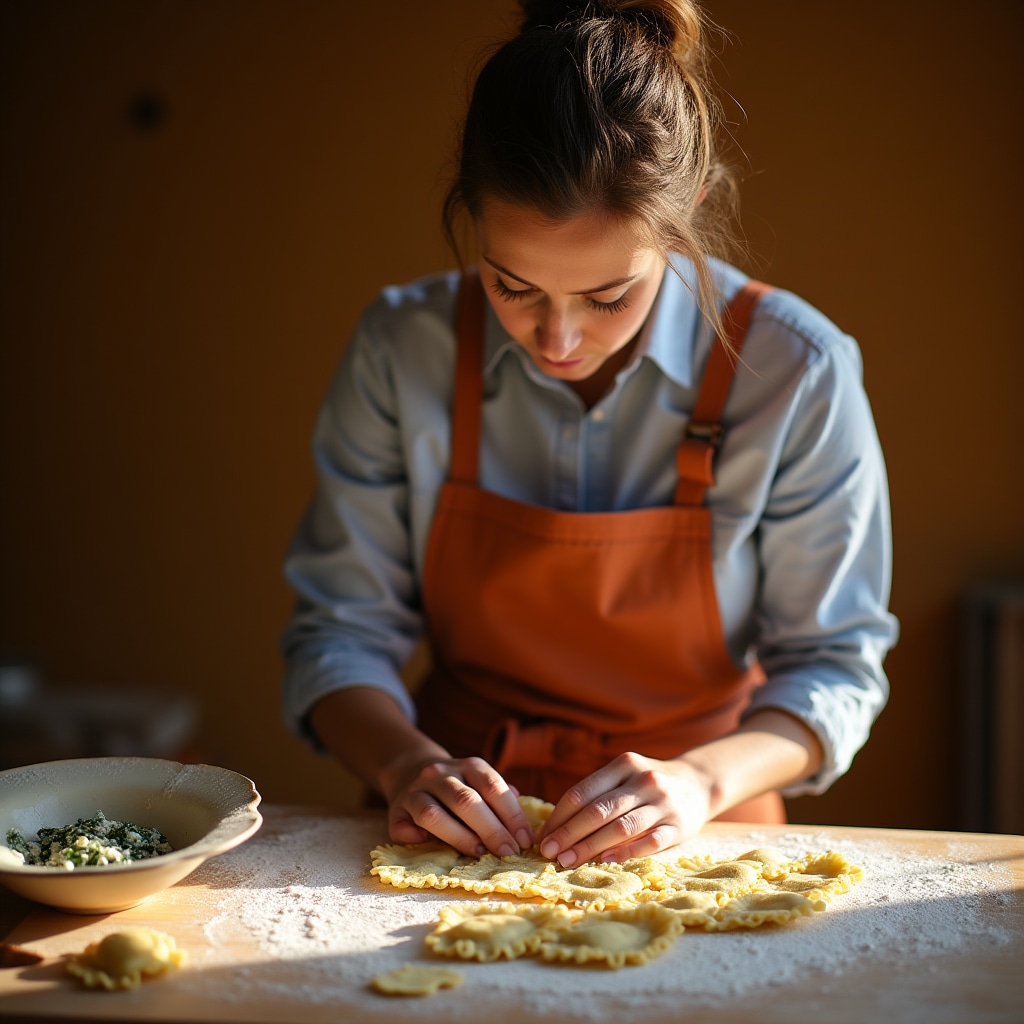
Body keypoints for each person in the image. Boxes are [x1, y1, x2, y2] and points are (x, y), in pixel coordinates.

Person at [280, 0, 898, 870]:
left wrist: (698, 783)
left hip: (700, 826)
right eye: (511, 286)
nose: (557, 341)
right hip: (451, 822)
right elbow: (337, 633)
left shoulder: (796, 371)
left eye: (609, 296)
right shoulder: (402, 351)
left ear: (692, 211)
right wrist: (405, 763)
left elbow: (835, 665)